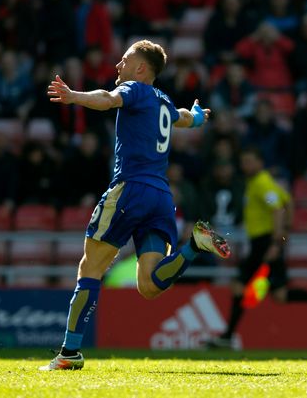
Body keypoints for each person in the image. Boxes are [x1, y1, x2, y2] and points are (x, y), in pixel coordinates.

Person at [39, 40, 231, 371]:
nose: (118, 66)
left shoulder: (135, 90)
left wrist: (74, 97)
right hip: (161, 197)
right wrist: (199, 117)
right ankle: (194, 246)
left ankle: (69, 353)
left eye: (125, 60)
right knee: (150, 285)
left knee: (91, 267)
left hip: (130, 190)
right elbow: (183, 118)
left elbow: (108, 99)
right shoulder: (165, 101)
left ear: (141, 68)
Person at [206, 147, 307, 349]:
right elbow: (287, 201)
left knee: (239, 285)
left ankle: (227, 336)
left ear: (260, 163)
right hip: (264, 243)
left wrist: (277, 242)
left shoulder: (262, 184)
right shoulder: (261, 182)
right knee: (280, 295)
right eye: (244, 161)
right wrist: (285, 233)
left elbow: (278, 208)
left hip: (264, 243)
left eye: (250, 161)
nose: (246, 165)